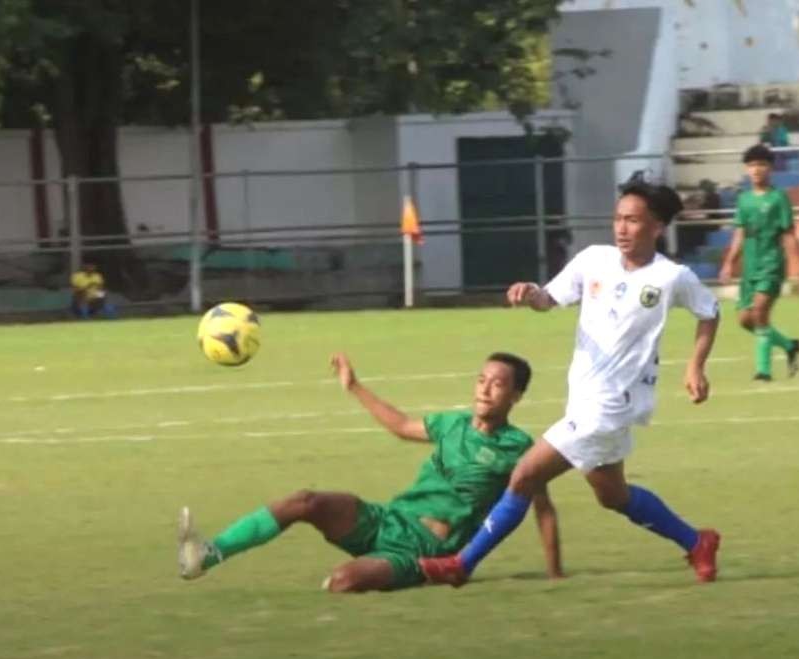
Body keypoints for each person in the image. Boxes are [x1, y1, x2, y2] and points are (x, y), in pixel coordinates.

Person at [419, 180, 722, 587]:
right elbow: (550, 299)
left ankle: (462, 564)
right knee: (613, 496)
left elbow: (709, 310)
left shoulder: (672, 277)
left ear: (657, 227)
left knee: (524, 475)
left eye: (632, 220)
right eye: (618, 218)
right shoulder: (593, 259)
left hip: (609, 406)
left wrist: (695, 367)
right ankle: (697, 541)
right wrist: (531, 294)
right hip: (583, 402)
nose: (621, 228)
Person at [176, 352, 562, 591]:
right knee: (305, 501)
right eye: (481, 380)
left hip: (425, 548)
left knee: (343, 582)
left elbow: (542, 508)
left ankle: (403, 574)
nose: (484, 389)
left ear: (515, 396)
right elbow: (400, 425)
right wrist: (354, 386)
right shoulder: (451, 424)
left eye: (497, 385)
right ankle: (206, 556)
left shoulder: (519, 448)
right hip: (388, 520)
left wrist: (554, 573)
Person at [719, 144, 799, 382]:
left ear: (770, 168)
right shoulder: (744, 200)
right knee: (745, 320)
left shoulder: (779, 198)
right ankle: (790, 345)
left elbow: (789, 235)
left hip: (772, 265)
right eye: (751, 165)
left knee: (760, 311)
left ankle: (763, 371)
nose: (756, 170)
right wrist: (729, 262)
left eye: (761, 164)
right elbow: (739, 234)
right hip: (751, 268)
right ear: (746, 169)